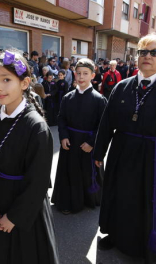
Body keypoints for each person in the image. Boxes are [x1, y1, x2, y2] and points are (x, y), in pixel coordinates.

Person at [93, 33, 156, 263]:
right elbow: (107, 122)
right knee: (120, 198)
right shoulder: (121, 87)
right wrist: (99, 152)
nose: (147, 56)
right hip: (122, 152)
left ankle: (149, 246)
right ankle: (116, 237)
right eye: (143, 52)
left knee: (149, 203)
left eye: (154, 52)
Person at [0, 50, 58, 264]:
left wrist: (14, 217)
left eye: (6, 79)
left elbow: (38, 181)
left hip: (25, 211)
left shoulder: (36, 127)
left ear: (25, 83)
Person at [52, 58, 107, 214]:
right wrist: (63, 136)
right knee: (70, 172)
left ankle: (88, 200)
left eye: (85, 73)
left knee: (85, 173)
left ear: (92, 75)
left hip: (87, 144)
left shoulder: (99, 99)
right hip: (70, 142)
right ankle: (68, 202)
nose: (81, 77)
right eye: (78, 73)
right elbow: (61, 118)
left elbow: (103, 126)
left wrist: (92, 142)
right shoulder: (67, 98)